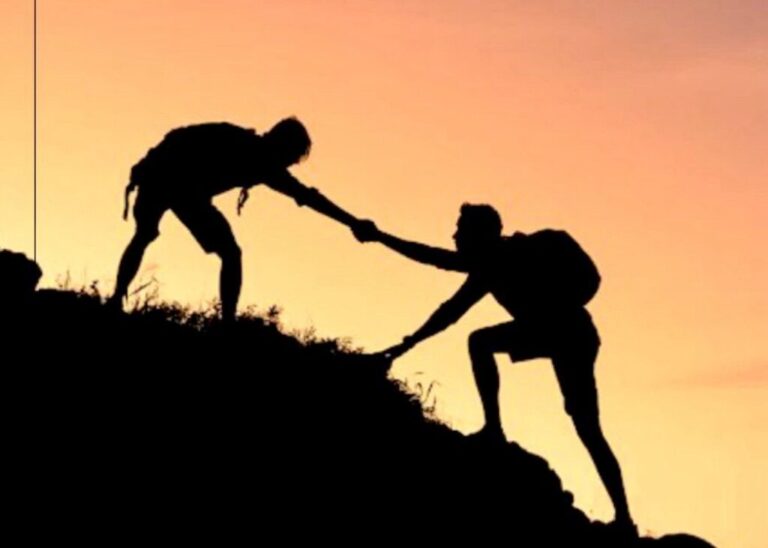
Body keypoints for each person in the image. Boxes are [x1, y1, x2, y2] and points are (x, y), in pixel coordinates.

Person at [353, 204, 635, 533]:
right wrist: (403, 347)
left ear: (480, 234)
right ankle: (495, 430)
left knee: (587, 428)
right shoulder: (489, 267)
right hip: (565, 333)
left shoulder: (504, 257)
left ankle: (623, 518)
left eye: (461, 230)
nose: (455, 236)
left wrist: (380, 237)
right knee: (483, 344)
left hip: (572, 336)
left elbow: (435, 261)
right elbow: (448, 310)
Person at [108, 117, 363, 321]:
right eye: (290, 158)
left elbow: (308, 197)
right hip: (165, 177)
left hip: (177, 186)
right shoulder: (238, 141)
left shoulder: (264, 163)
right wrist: (147, 166)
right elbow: (179, 136)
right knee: (223, 252)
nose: (288, 165)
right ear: (282, 146)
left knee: (150, 238)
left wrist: (353, 222)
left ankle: (118, 300)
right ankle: (225, 324)